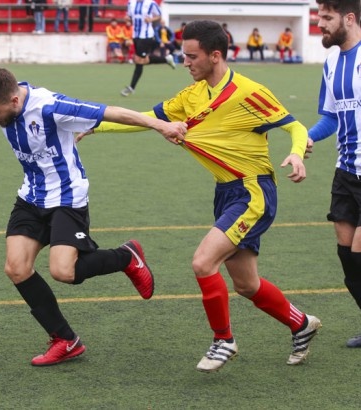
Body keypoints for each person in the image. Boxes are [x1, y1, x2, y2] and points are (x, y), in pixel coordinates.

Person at [78, 20, 321, 372]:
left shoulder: (248, 92)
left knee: (203, 261)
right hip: (226, 192)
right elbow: (147, 119)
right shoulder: (191, 96)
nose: (186, 62)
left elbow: (294, 126)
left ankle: (223, 340)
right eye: (184, 55)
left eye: (192, 56)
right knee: (246, 284)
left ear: (215, 55)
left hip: (252, 191)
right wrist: (96, 124)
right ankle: (301, 324)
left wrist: (297, 152)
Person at [0, 67, 187, 367]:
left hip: (66, 199)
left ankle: (126, 257)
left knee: (65, 272)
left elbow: (110, 111)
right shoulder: (2, 98)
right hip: (31, 198)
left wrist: (159, 126)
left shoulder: (49, 107)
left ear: (13, 100)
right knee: (16, 268)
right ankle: (66, 340)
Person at [307, 0, 361, 348]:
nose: (320, 24)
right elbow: (330, 116)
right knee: (346, 257)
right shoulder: (330, 62)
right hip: (345, 172)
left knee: (359, 253)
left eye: (326, 18)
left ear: (349, 18)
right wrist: (306, 139)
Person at [120, 0, 176, 97]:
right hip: (136, 35)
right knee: (141, 60)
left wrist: (151, 20)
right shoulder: (131, 3)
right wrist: (127, 18)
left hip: (146, 36)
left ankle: (131, 87)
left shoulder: (150, 3)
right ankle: (166, 59)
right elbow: (129, 16)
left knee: (140, 60)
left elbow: (159, 15)